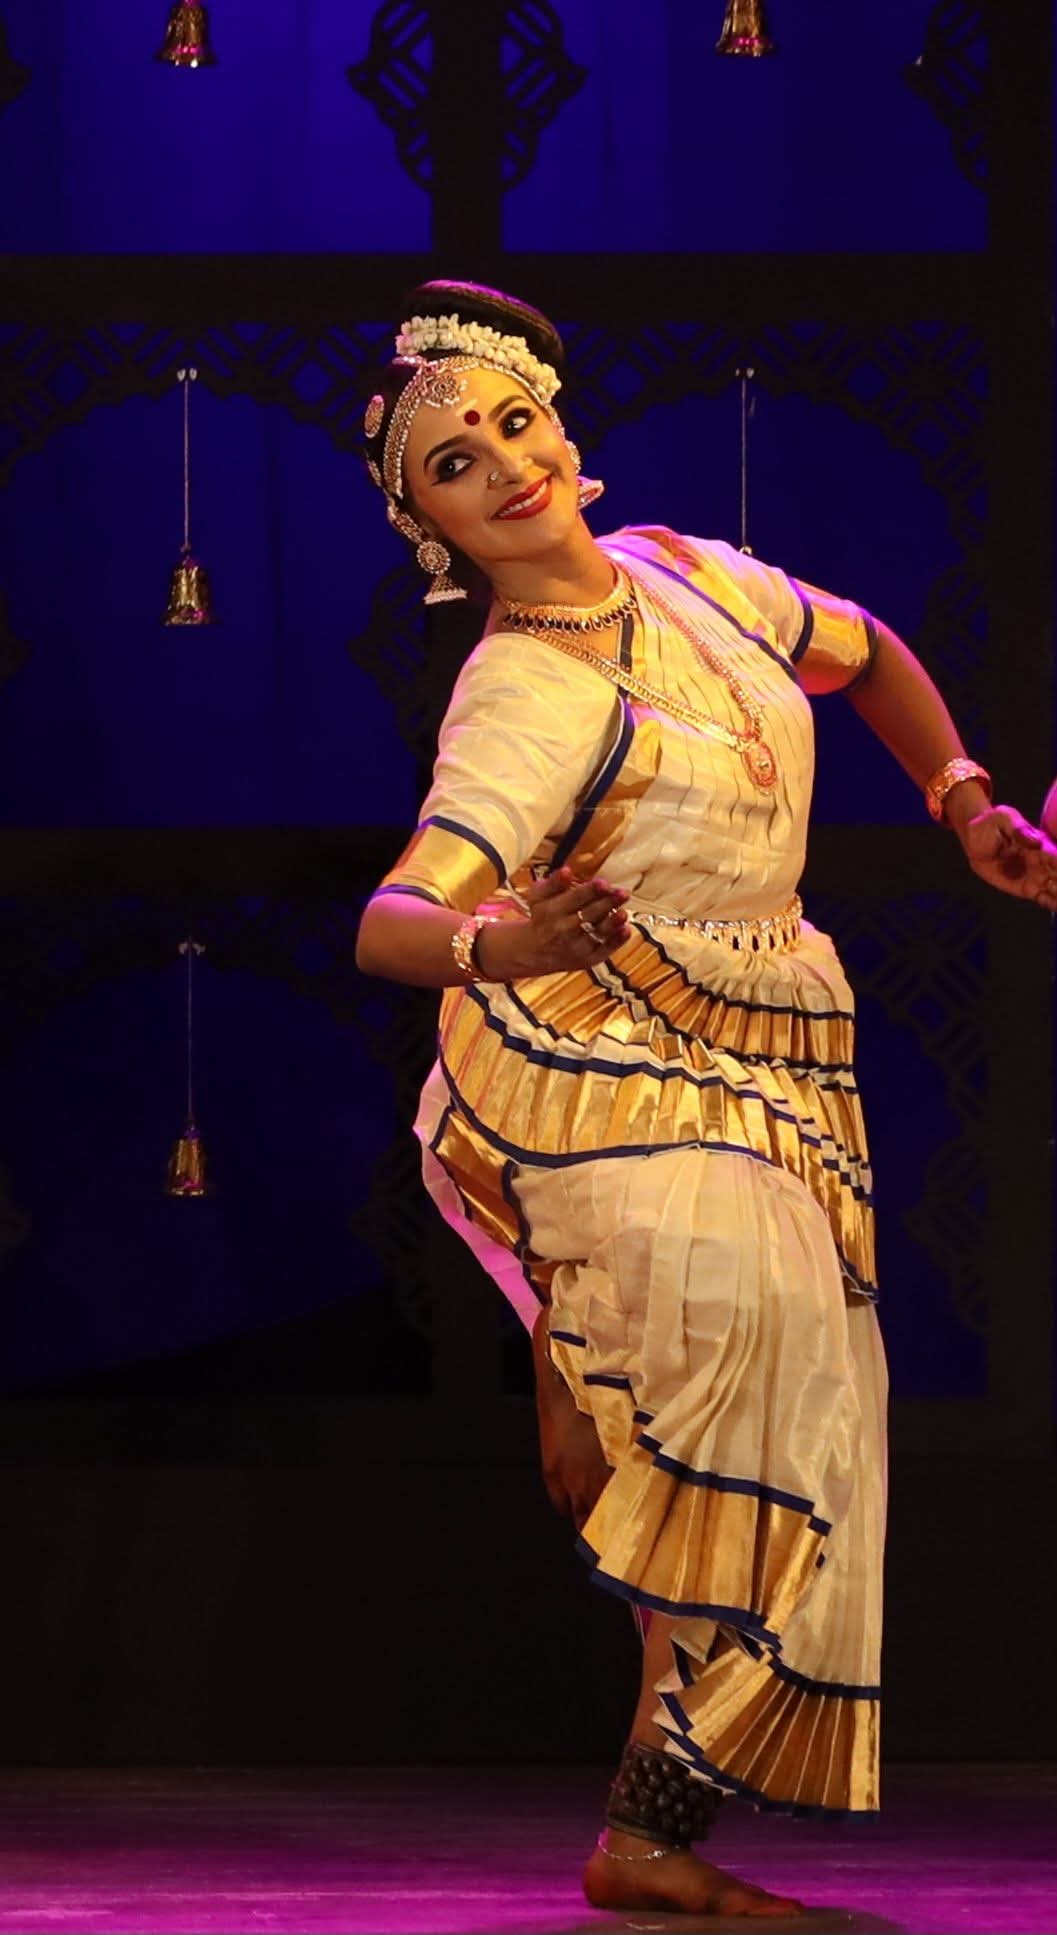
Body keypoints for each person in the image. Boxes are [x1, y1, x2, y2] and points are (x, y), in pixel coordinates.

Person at [355, 281, 1057, 1917]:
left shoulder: (685, 570)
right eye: (456, 465)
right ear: (431, 531)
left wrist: (959, 798)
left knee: (805, 1420)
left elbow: (864, 649)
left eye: (514, 426)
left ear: (561, 430)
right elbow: (390, 926)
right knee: (742, 1383)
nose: (505, 467)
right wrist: (503, 938)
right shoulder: (521, 693)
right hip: (591, 1057)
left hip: (763, 1045)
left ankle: (648, 1831)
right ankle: (584, 1376)